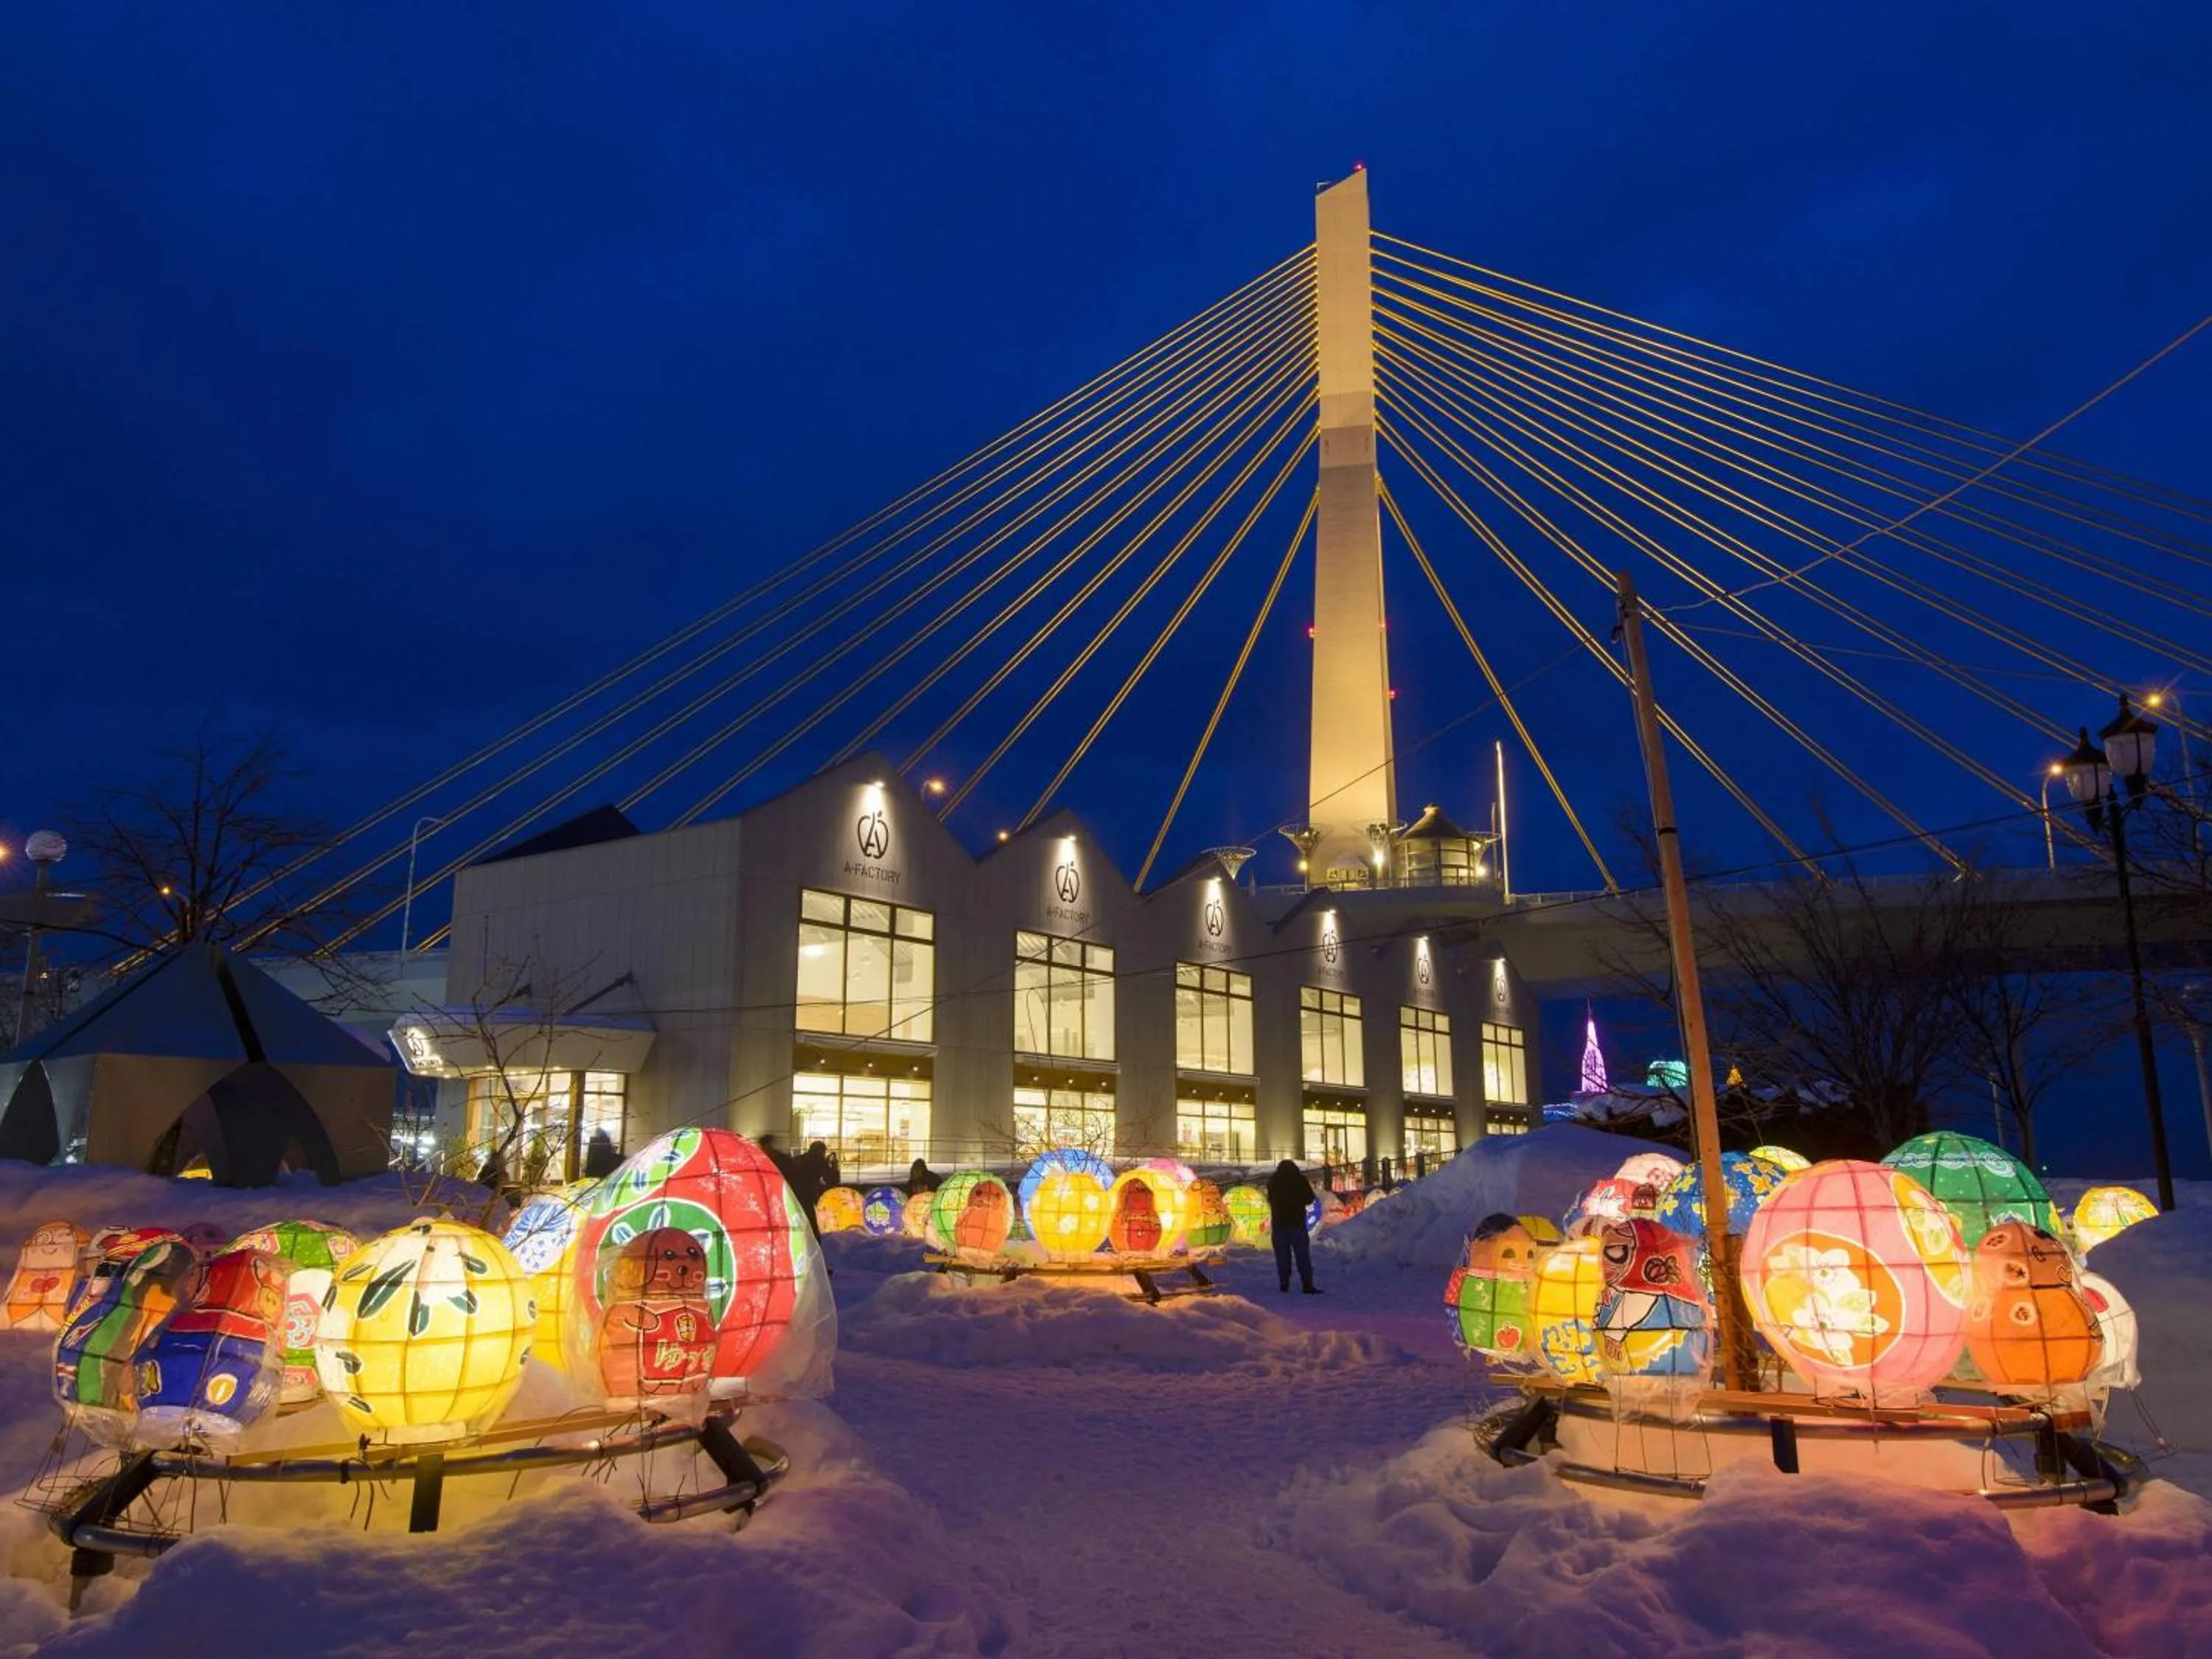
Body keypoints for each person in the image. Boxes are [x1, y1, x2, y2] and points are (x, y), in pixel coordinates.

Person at [1266, 1158, 1320, 1295]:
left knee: (1282, 1256)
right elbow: (1310, 1198)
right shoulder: (1300, 1180)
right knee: (1303, 1255)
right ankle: (1307, 1284)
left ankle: (1284, 1283)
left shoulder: (1274, 1181)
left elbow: (1270, 1199)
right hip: (1297, 1223)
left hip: (1279, 1223)